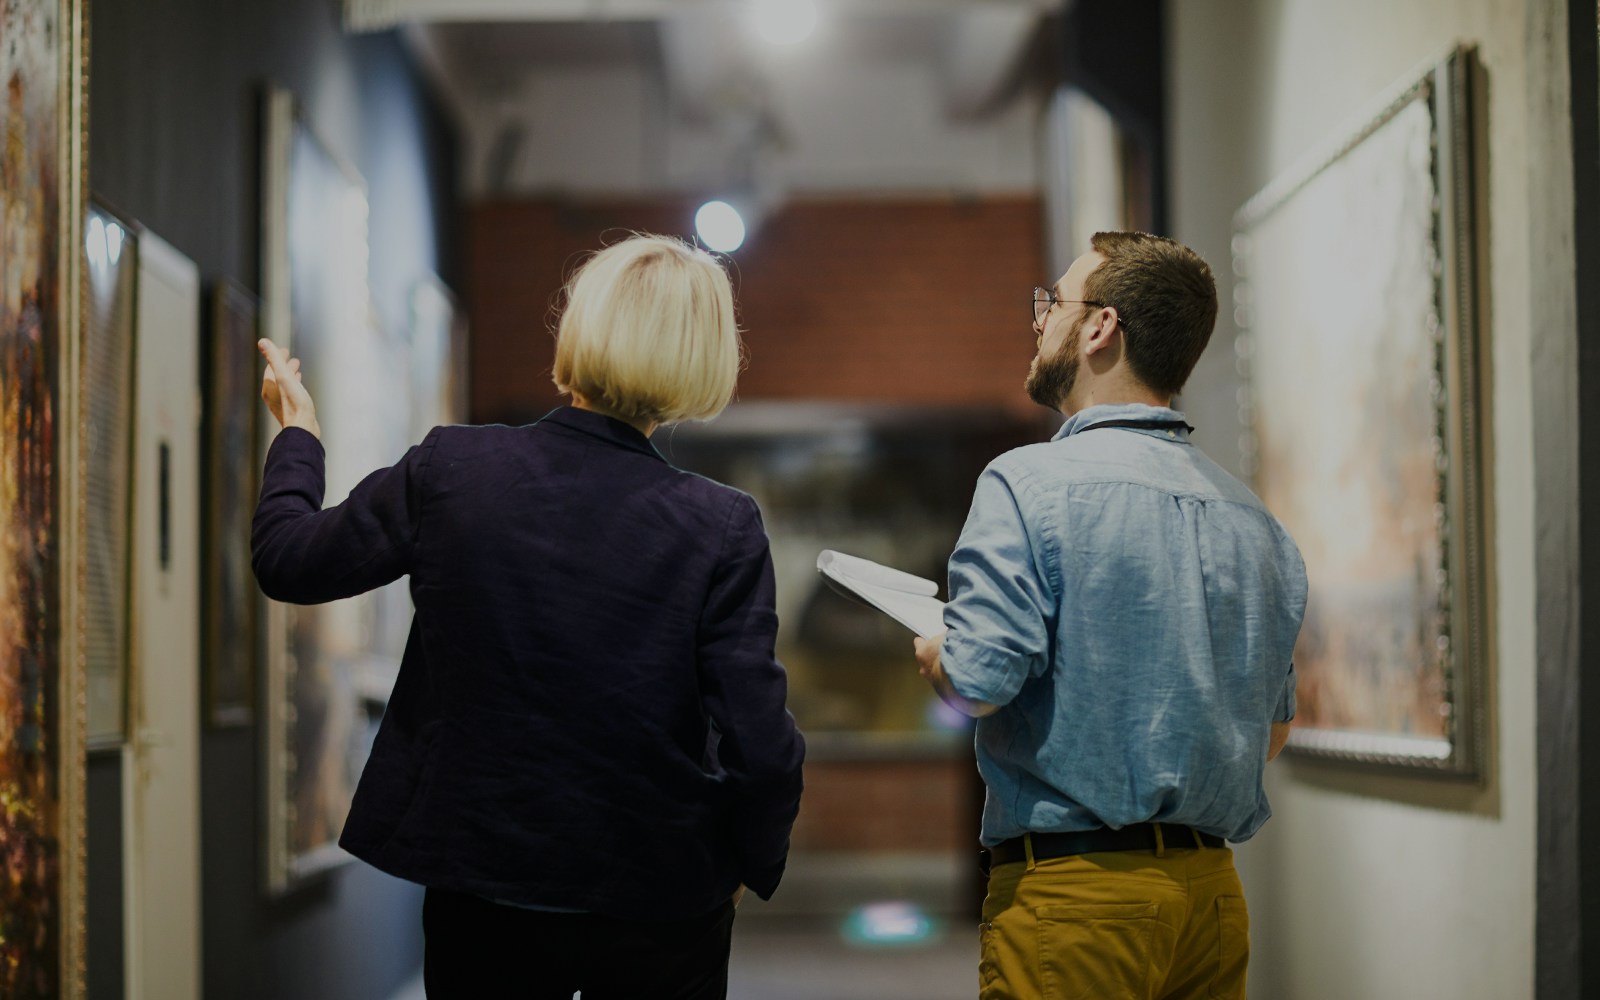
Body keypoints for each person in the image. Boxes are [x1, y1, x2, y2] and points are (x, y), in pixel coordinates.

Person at [252, 233, 806, 1000]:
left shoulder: (453, 470)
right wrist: (747, 860)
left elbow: (287, 559)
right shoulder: (720, 525)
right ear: (703, 359)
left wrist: (298, 440)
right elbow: (761, 743)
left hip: (483, 886)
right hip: (659, 897)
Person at [913, 231, 1306, 1000]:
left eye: (1052, 302)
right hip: (1212, 897)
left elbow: (980, 679)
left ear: (1100, 327)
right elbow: (1275, 731)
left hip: (1079, 897)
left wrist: (937, 651)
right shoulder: (1255, 519)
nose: (1039, 320)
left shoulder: (1028, 483)